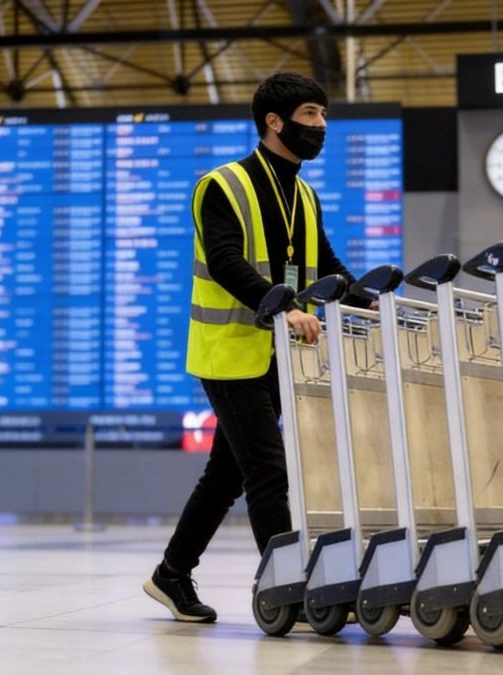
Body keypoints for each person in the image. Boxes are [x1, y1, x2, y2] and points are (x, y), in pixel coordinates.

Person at [144, 72, 368, 622]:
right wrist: (283, 305)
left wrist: (376, 300)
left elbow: (326, 265)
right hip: (231, 352)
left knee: (227, 473)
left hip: (282, 357)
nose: (321, 126)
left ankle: (171, 574)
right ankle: (286, 584)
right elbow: (224, 261)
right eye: (311, 114)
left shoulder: (304, 193)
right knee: (268, 471)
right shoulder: (221, 185)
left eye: (322, 115)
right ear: (275, 121)